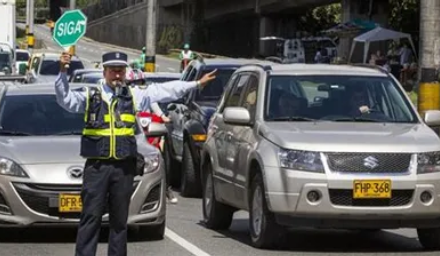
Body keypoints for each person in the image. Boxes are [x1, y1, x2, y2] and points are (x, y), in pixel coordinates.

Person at [55, 51, 216, 256]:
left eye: (120, 71)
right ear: (104, 72)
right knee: (90, 218)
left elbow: (164, 91)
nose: (117, 75)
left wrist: (196, 84)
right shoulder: (91, 95)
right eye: (112, 71)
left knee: (120, 222)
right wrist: (62, 71)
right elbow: (65, 99)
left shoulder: (133, 95)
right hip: (97, 168)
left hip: (123, 168)